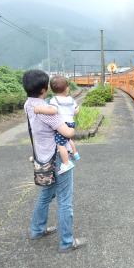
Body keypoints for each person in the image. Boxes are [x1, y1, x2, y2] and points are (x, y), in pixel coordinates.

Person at [23, 69, 86, 253]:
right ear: (44, 89)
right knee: (65, 200)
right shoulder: (49, 112)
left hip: (42, 156)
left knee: (45, 196)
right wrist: (72, 123)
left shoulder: (28, 104)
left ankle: (37, 230)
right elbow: (68, 133)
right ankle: (67, 242)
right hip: (57, 157)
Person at [34, 76, 80, 174]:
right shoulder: (71, 99)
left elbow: (53, 110)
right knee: (68, 139)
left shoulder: (54, 100)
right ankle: (75, 153)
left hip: (62, 124)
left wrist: (39, 109)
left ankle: (66, 163)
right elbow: (76, 111)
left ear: (51, 89)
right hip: (71, 123)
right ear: (67, 88)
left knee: (60, 144)